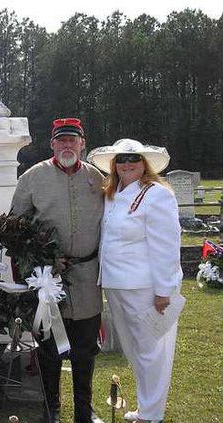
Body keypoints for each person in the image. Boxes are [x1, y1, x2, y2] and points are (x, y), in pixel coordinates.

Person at [11, 118, 105, 423]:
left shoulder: (98, 179)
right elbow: (15, 229)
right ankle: (50, 407)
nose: (67, 145)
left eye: (72, 140)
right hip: (48, 281)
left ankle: (84, 409)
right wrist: (43, 259)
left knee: (85, 349)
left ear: (82, 143)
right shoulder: (32, 178)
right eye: (61, 140)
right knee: (49, 348)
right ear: (52, 144)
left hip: (88, 277)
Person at [87, 139, 182, 423]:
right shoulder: (112, 194)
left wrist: (164, 290)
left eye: (134, 159)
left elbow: (166, 245)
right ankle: (145, 408)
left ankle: (152, 415)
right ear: (114, 166)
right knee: (134, 351)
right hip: (115, 284)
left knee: (151, 352)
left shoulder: (156, 194)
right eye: (121, 159)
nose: (127, 164)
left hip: (145, 287)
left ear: (145, 164)